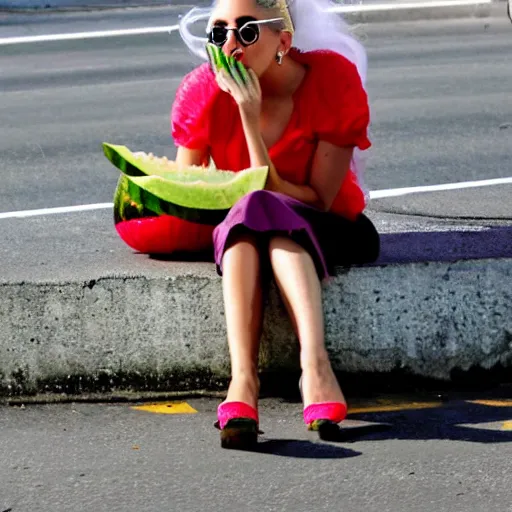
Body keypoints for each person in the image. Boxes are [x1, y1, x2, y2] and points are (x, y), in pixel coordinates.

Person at [171, 0, 380, 448]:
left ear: (283, 41)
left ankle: (315, 365)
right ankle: (243, 382)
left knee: (264, 208)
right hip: (246, 231)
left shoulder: (330, 80)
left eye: (246, 32)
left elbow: (319, 198)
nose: (229, 45)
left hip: (328, 225)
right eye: (218, 33)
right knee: (249, 219)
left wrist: (249, 116)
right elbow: (186, 190)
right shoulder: (201, 91)